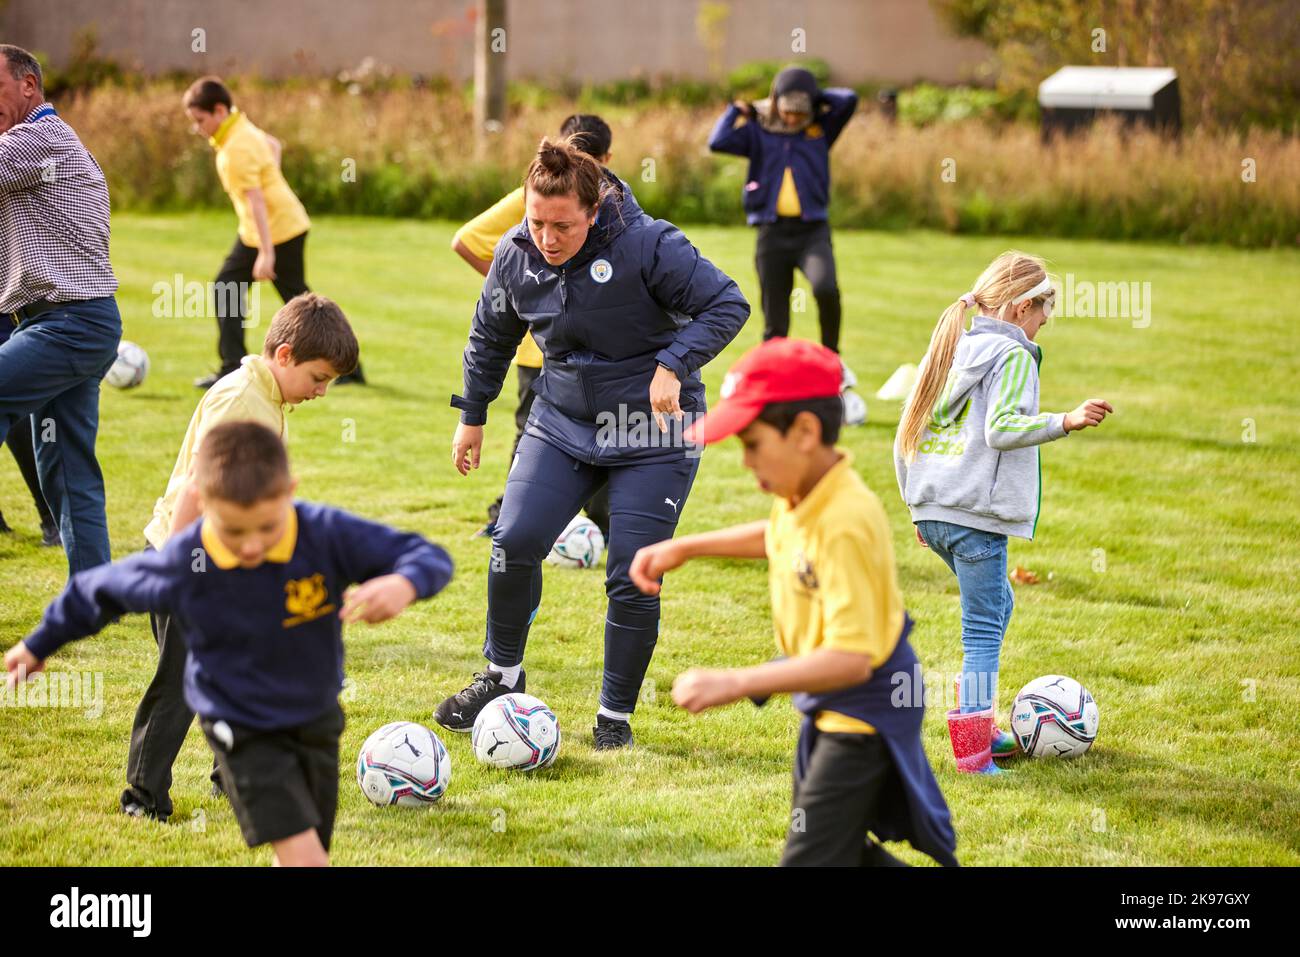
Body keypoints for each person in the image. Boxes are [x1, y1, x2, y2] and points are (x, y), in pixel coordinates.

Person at [5, 421, 453, 866]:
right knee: (306, 858)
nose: (252, 545)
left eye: (266, 525)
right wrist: (38, 645)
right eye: (234, 532)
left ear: (289, 491)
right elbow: (96, 592)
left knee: (306, 846)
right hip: (242, 726)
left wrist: (403, 584)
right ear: (204, 503)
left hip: (316, 718)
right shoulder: (189, 563)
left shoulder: (323, 533)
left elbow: (427, 554)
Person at [440, 135, 749, 749]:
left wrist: (673, 363)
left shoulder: (650, 244)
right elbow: (490, 335)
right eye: (536, 222)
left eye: (563, 226)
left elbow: (727, 302)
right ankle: (501, 676)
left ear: (595, 209)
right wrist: (472, 413)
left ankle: (615, 718)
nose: (547, 239)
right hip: (562, 419)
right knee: (515, 539)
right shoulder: (515, 254)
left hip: (652, 430)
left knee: (633, 572)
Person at [628, 337, 957, 866]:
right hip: (832, 699)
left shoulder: (846, 519)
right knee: (841, 852)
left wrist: (735, 682)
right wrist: (686, 547)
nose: (745, 462)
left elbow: (851, 660)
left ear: (804, 432)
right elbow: (779, 534)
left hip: (862, 710)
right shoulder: (806, 495)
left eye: (753, 444)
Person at [122, 293, 359, 821]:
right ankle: (142, 796)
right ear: (285, 355)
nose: (322, 392)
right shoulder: (242, 400)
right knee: (182, 684)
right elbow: (197, 493)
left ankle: (231, 778)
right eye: (318, 378)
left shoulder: (268, 394)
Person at [894, 251, 1112, 774]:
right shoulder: (1013, 357)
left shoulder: (948, 349)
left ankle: (982, 724)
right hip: (974, 517)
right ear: (1020, 307)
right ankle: (973, 752)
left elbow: (904, 437)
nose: (1043, 327)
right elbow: (1002, 429)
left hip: (935, 511)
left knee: (997, 606)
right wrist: (1065, 420)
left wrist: (916, 506)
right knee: (984, 627)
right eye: (1042, 315)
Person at [451, 114, 612, 540]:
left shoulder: (613, 212)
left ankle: (596, 525)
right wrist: (523, 292)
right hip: (536, 351)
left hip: (595, 357)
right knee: (533, 435)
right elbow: (467, 240)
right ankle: (506, 515)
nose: (548, 234)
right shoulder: (533, 198)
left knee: (602, 435)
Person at [0, 44, 121, 575]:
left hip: (69, 324)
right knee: (66, 466)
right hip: (76, 324)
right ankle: (96, 592)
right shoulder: (41, 141)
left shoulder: (37, 138)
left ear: (29, 86)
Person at [182, 76, 364, 389]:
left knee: (301, 304)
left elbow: (256, 201)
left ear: (219, 110)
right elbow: (274, 145)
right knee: (231, 286)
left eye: (200, 120)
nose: (198, 128)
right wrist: (273, 178)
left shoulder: (235, 147)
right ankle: (231, 365)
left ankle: (347, 367)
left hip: (277, 230)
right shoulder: (240, 126)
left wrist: (267, 253)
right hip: (263, 229)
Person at [708, 66, 857, 379]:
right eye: (787, 110)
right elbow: (718, 141)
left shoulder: (822, 128)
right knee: (775, 319)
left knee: (825, 288)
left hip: (811, 233)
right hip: (772, 233)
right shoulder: (758, 129)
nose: (792, 119)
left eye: (799, 113)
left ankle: (833, 361)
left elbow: (849, 99)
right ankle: (776, 377)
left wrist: (813, 95)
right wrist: (737, 109)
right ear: (776, 104)